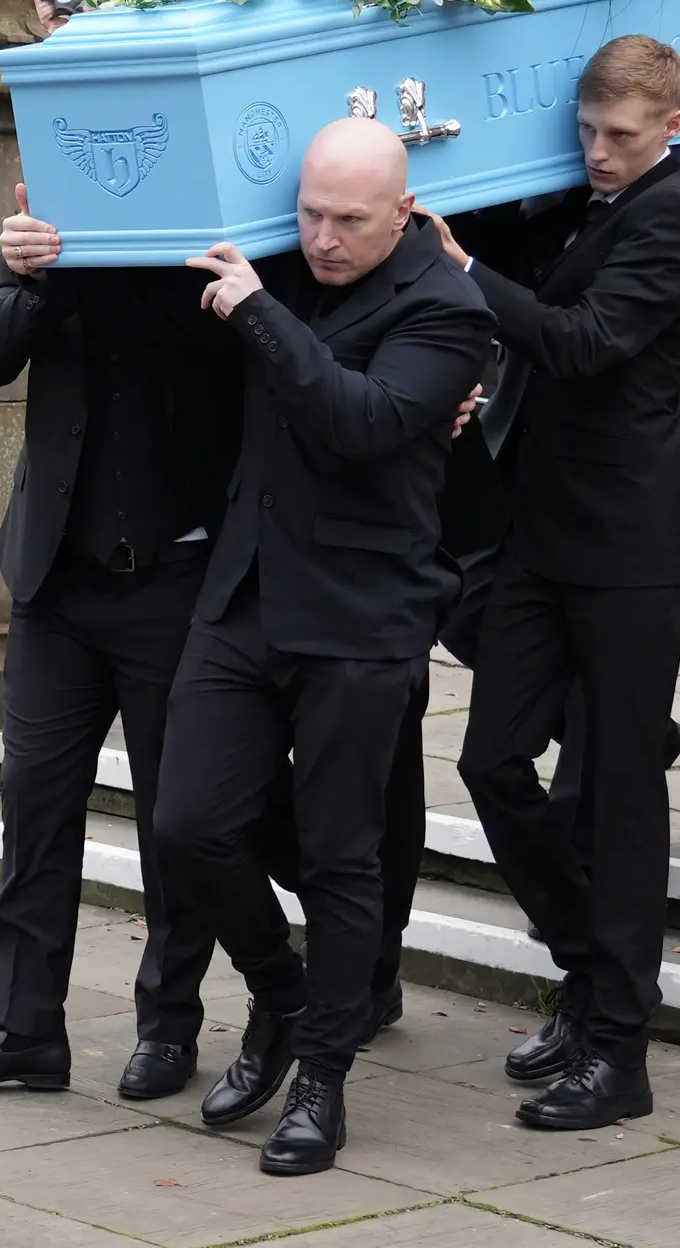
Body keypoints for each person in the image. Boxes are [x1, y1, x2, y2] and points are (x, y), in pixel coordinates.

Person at [152, 119, 491, 1177]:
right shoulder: (284, 264)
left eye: (349, 220)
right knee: (188, 819)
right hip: (248, 590)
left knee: (345, 855)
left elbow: (358, 420)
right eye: (310, 213)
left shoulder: (449, 305)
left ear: (404, 210)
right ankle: (284, 993)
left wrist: (259, 308)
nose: (325, 238)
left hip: (361, 609)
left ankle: (326, 1081)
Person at [428, 37, 680, 1131]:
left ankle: (620, 1047)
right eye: (589, 130)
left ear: (670, 126)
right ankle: (589, 971)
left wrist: (462, 273)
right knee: (492, 757)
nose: (598, 152)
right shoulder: (597, 200)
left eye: (621, 137)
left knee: (623, 800)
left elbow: (586, 343)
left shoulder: (677, 208)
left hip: (626, 547)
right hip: (544, 536)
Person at [0, 185, 246, 1101]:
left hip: (175, 583)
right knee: (35, 810)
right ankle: (24, 1030)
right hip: (57, 581)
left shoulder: (202, 244)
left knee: (171, 824)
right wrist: (31, 278)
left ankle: (169, 1028)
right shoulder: (46, 244)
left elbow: (222, 362)